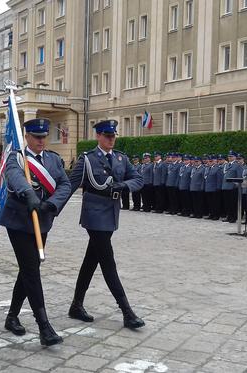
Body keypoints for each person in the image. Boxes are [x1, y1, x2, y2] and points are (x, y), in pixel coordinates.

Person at [0, 118, 71, 346]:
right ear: (27, 136)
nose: (41, 140)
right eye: (36, 136)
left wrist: (52, 204)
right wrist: (28, 193)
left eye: (43, 136)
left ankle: (12, 316)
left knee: (29, 268)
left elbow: (65, 185)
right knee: (31, 269)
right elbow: (15, 176)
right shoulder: (16, 157)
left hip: (43, 221)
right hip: (19, 221)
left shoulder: (52, 159)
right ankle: (44, 326)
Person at [68, 119, 146, 329]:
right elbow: (70, 186)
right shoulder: (87, 159)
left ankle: (76, 305)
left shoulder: (121, 158)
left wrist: (122, 185)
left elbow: (138, 179)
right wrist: (50, 209)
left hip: (111, 216)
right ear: (98, 136)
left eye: (113, 136)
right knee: (108, 263)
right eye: (107, 136)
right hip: (94, 217)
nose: (111, 139)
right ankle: (127, 312)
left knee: (90, 261)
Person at [222, 151, 242, 223]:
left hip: (233, 187)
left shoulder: (237, 165)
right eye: (229, 156)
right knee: (227, 203)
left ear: (235, 157)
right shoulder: (226, 165)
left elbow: (239, 176)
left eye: (231, 156)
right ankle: (229, 216)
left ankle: (233, 217)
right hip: (225, 186)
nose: (229, 158)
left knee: (233, 203)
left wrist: (236, 186)